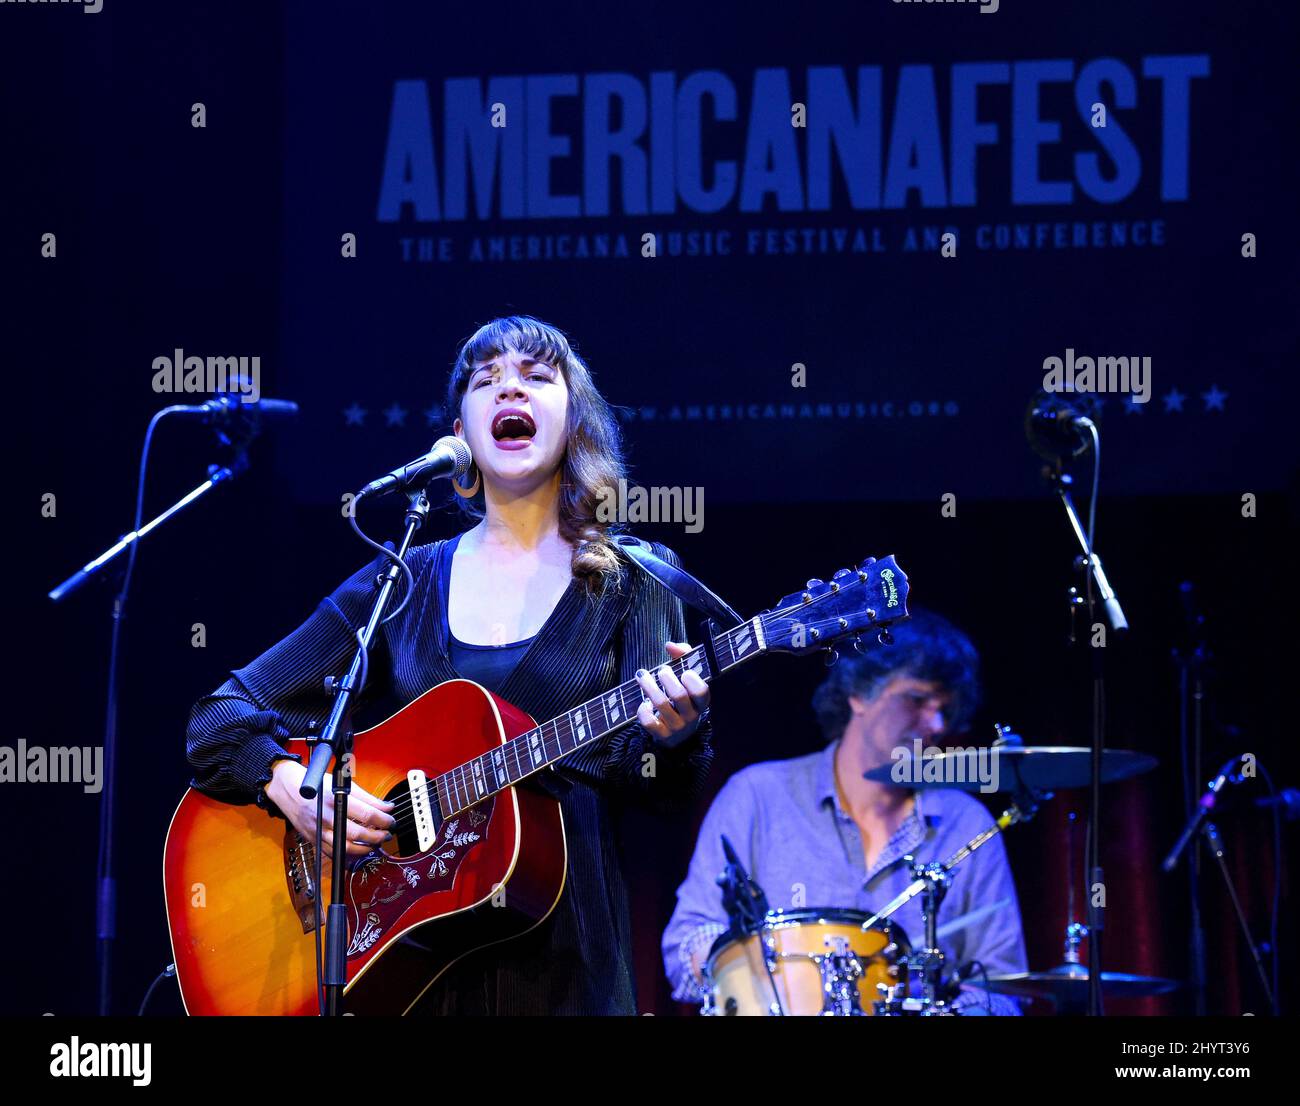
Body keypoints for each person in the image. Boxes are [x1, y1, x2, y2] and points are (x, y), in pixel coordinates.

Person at [186, 315, 713, 1015]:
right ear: (459, 438)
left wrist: (673, 739)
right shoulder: (402, 582)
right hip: (413, 978)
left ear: (574, 421)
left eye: (534, 377)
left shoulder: (635, 582)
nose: (508, 391)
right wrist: (288, 784)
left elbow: (659, 795)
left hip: (566, 969)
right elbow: (217, 717)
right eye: (485, 381)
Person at [662, 609, 1027, 1015]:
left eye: (945, 708)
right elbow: (687, 942)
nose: (937, 723)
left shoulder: (967, 825)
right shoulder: (757, 796)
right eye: (917, 700)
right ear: (859, 694)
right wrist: (756, 976)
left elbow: (1000, 987)